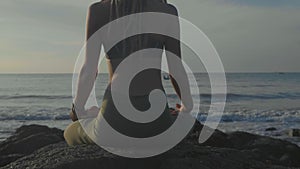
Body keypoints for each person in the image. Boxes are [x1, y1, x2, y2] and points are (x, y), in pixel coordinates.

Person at [64, 0, 193, 146]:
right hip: (156, 119)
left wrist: (78, 110)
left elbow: (89, 70)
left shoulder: (98, 10)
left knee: (70, 132)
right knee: (186, 123)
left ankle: (97, 117)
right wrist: (186, 107)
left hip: (114, 117)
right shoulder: (168, 11)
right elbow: (175, 69)